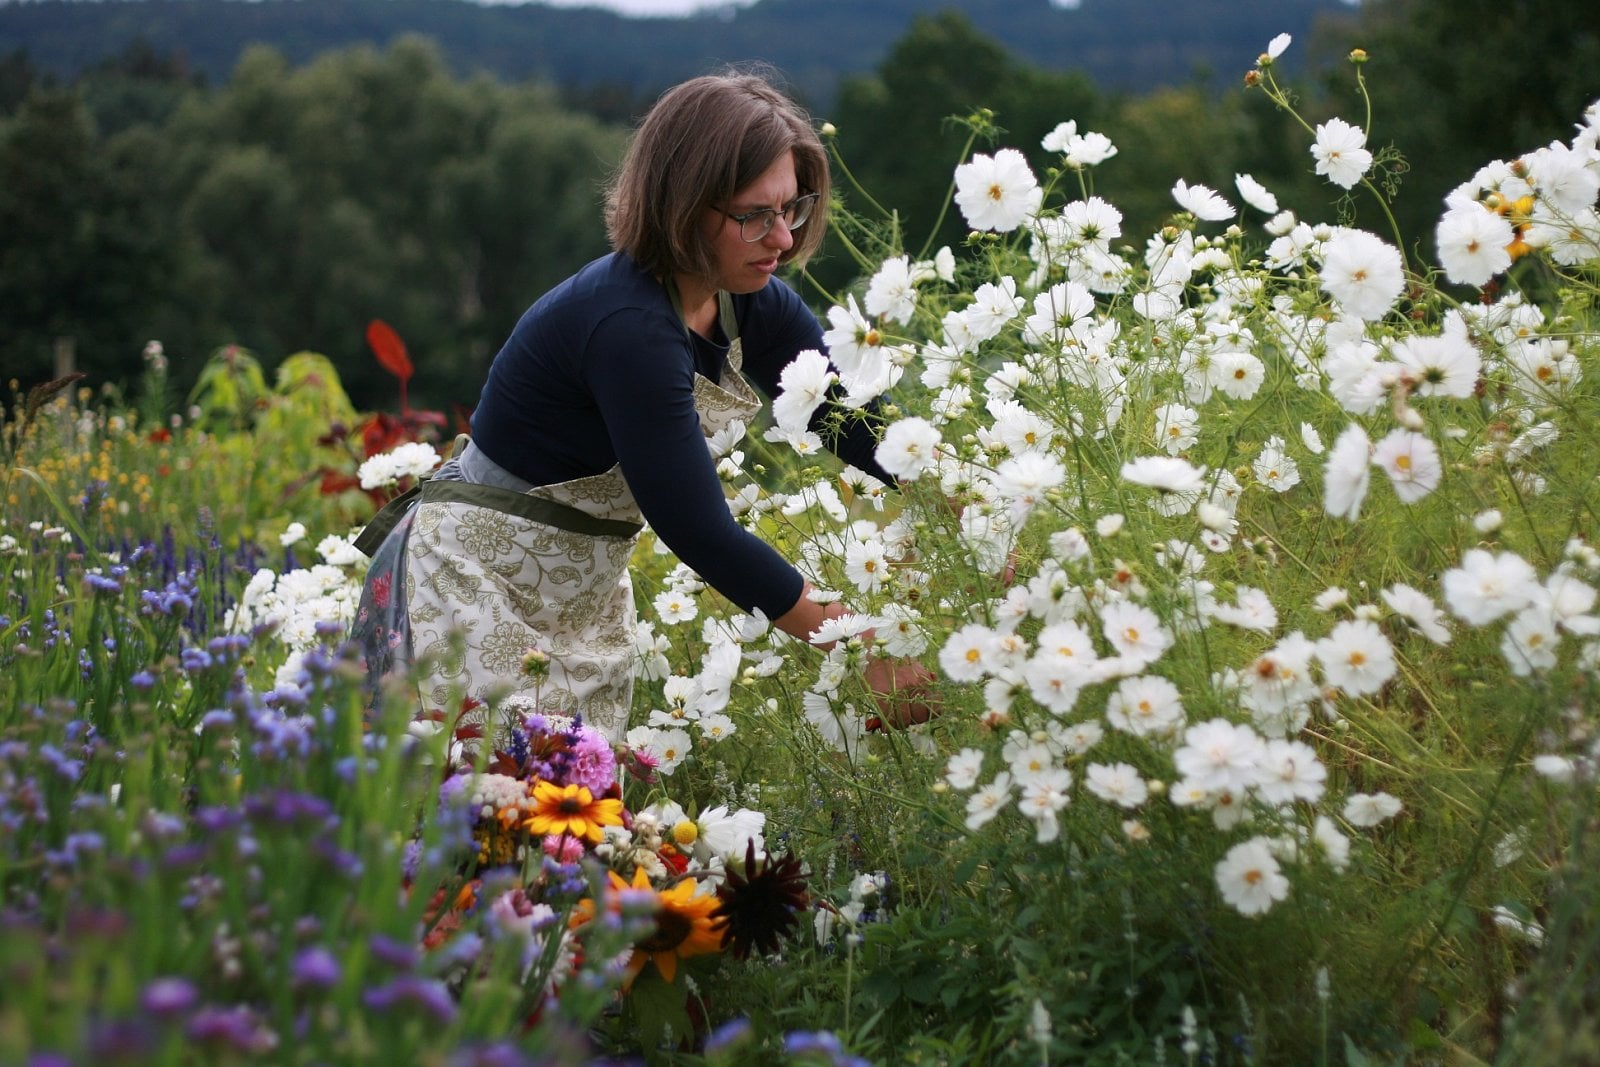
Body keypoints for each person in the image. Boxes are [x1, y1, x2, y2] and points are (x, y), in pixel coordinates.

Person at [352, 71, 934, 750]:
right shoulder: (628, 324)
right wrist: (855, 646)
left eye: (793, 208)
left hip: (581, 599)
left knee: (571, 825)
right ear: (684, 206)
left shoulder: (751, 301)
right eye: (754, 215)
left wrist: (961, 499)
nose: (781, 238)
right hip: (472, 585)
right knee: (478, 819)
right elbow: (699, 528)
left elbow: (856, 419)